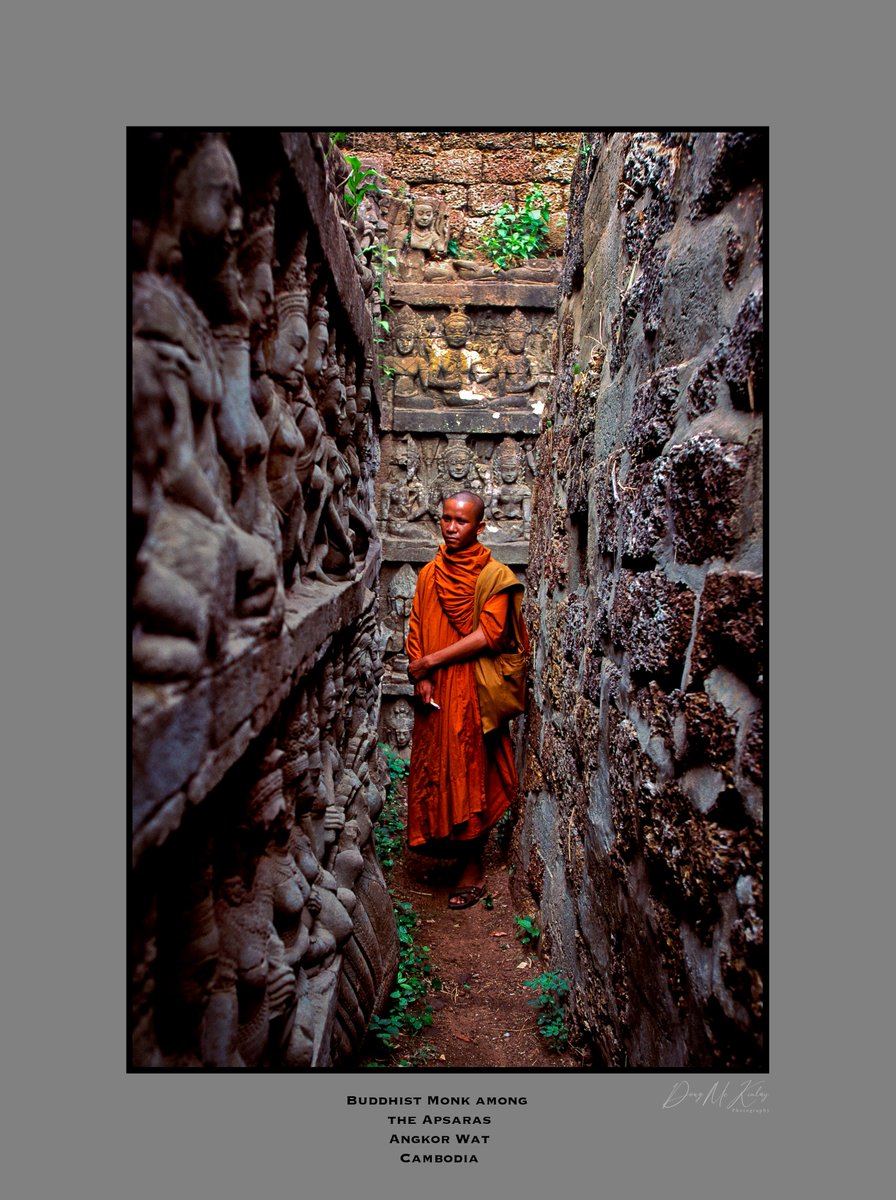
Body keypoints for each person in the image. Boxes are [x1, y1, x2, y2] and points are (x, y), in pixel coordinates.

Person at [405, 492, 529, 909]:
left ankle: (472, 865)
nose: (451, 528)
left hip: (473, 691)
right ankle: (443, 843)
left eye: (461, 521)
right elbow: (418, 624)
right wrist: (422, 678)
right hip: (436, 690)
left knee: (471, 771)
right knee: (434, 767)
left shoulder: (495, 577)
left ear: (480, 526)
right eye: (446, 519)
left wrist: (429, 663)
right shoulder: (429, 574)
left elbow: (490, 635)